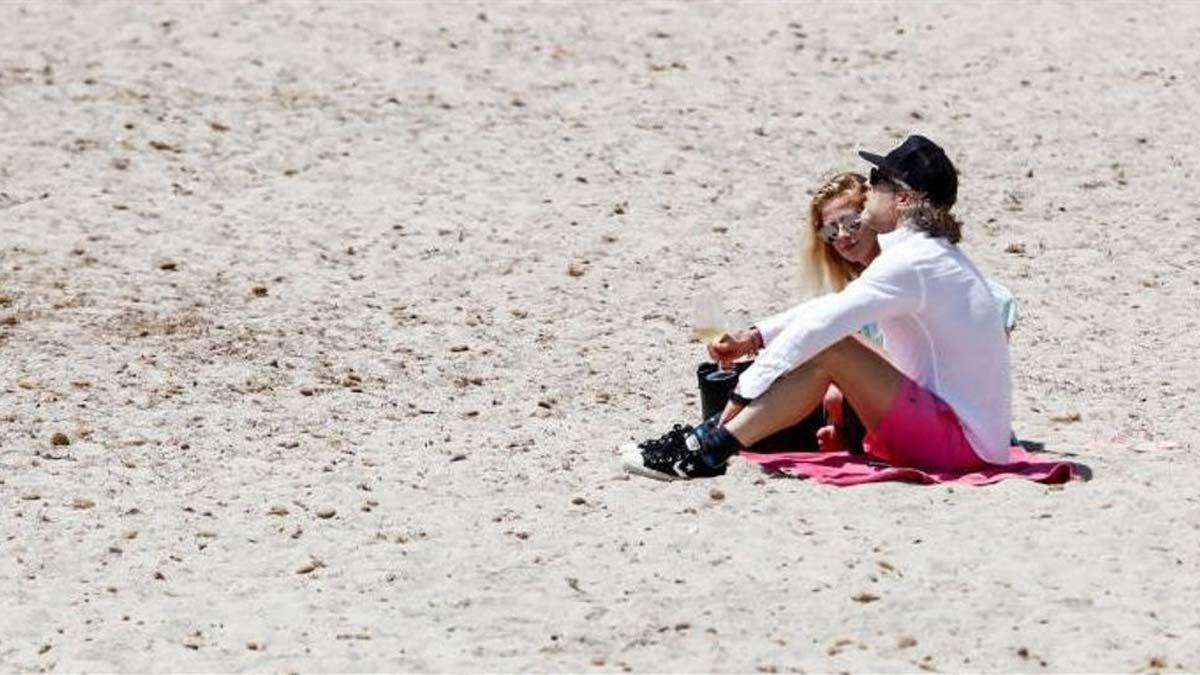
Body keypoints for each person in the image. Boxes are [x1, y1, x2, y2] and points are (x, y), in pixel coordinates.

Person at [622, 135, 1014, 480]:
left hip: (960, 448)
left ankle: (710, 447)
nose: (868, 190)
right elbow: (834, 306)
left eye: (876, 182)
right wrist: (756, 337)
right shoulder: (931, 255)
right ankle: (712, 440)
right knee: (832, 342)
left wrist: (744, 390)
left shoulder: (912, 261)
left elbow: (828, 323)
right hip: (968, 438)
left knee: (831, 345)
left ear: (904, 199)